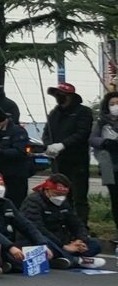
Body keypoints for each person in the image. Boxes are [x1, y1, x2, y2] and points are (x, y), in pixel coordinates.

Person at [0, 172, 53, 274]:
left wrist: (42, 244)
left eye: (1, 184)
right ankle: (6, 264)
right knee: (21, 263)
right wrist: (10, 247)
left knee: (37, 252)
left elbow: (26, 225)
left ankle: (8, 264)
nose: (0, 187)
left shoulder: (6, 203)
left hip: (7, 242)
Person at [20, 175, 105, 268]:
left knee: (95, 244)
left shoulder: (63, 203)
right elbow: (37, 228)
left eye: (63, 195)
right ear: (47, 189)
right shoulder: (33, 201)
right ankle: (77, 260)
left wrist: (80, 240)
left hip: (63, 240)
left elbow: (76, 223)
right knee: (45, 246)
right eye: (57, 194)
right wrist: (64, 247)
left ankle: (62, 258)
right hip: (42, 239)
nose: (60, 197)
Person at [42, 83, 95, 223]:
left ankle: (82, 225)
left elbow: (82, 133)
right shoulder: (54, 113)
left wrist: (63, 145)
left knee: (79, 196)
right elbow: (46, 132)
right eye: (57, 95)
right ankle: (63, 223)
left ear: (71, 96)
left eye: (62, 95)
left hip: (77, 161)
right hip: (58, 161)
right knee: (60, 194)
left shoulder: (83, 112)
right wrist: (48, 146)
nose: (59, 98)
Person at [89, 90, 118, 228]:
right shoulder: (102, 123)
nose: (115, 106)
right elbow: (93, 139)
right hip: (108, 167)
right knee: (115, 200)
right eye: (112, 104)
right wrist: (105, 142)